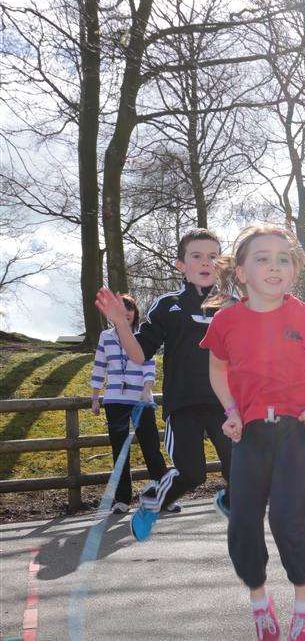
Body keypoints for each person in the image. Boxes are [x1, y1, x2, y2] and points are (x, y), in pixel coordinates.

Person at [200, 223, 305, 641]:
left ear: (293, 270)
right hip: (250, 432)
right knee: (243, 519)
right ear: (240, 272)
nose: (275, 267)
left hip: (297, 429)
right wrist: (232, 410)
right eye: (262, 259)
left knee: (289, 516)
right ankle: (259, 601)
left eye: (283, 259)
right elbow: (217, 369)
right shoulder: (226, 321)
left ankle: (304, 599)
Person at [95, 228, 233, 542]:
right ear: (180, 265)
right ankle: (153, 504)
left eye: (213, 256)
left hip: (225, 402)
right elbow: (139, 352)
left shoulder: (233, 305)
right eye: (196, 256)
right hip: (183, 403)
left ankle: (230, 500)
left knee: (240, 464)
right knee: (192, 473)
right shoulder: (167, 305)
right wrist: (120, 322)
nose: (205, 262)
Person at [91, 294, 179, 514]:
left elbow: (149, 367)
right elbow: (99, 366)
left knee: (151, 448)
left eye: (130, 309)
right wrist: (95, 397)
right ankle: (121, 500)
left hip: (141, 401)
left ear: (135, 313)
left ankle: (165, 497)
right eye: (122, 309)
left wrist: (146, 390)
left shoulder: (142, 336)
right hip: (114, 401)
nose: (126, 312)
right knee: (119, 451)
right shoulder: (105, 336)